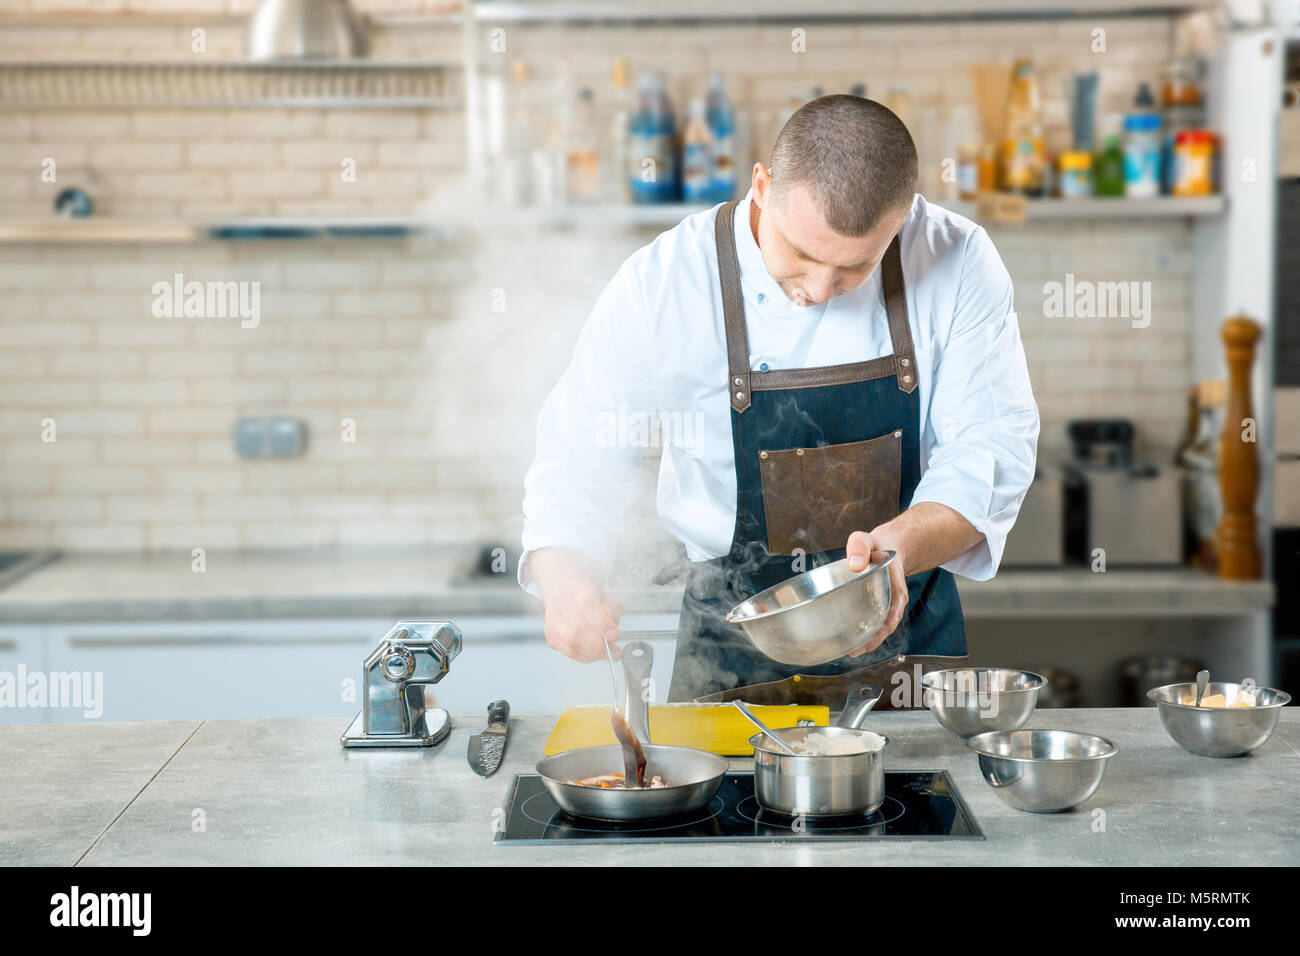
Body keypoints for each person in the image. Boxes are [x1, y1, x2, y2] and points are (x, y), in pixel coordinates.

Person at [519, 95, 1039, 700]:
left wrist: (896, 552)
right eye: (802, 255)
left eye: (855, 268)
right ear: (761, 187)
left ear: (899, 225)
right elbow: (581, 450)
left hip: (905, 636)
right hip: (728, 652)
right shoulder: (663, 282)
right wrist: (565, 579)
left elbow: (990, 448)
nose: (820, 289)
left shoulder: (956, 259)